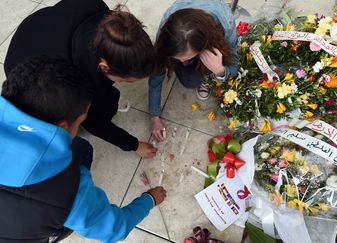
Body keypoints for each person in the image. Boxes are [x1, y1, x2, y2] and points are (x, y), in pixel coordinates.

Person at [0, 56, 167, 243]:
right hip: (24, 232)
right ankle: (55, 231)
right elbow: (115, 229)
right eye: (81, 121)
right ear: (62, 127)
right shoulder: (67, 191)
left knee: (81, 148)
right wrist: (149, 200)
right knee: (79, 156)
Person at [4, 0, 157, 158]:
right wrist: (135, 145)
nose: (128, 83)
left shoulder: (99, 10)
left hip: (36, 29)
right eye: (127, 81)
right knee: (97, 111)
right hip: (22, 68)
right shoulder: (76, 84)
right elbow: (96, 124)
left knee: (107, 99)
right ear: (104, 67)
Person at [148, 0, 239, 141]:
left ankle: (209, 70)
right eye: (177, 58)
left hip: (214, 36)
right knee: (190, 81)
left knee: (202, 74)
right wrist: (154, 116)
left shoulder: (224, 21)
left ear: (205, 46)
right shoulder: (168, 24)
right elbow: (157, 72)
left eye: (187, 58)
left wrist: (219, 70)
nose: (182, 63)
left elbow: (234, 65)